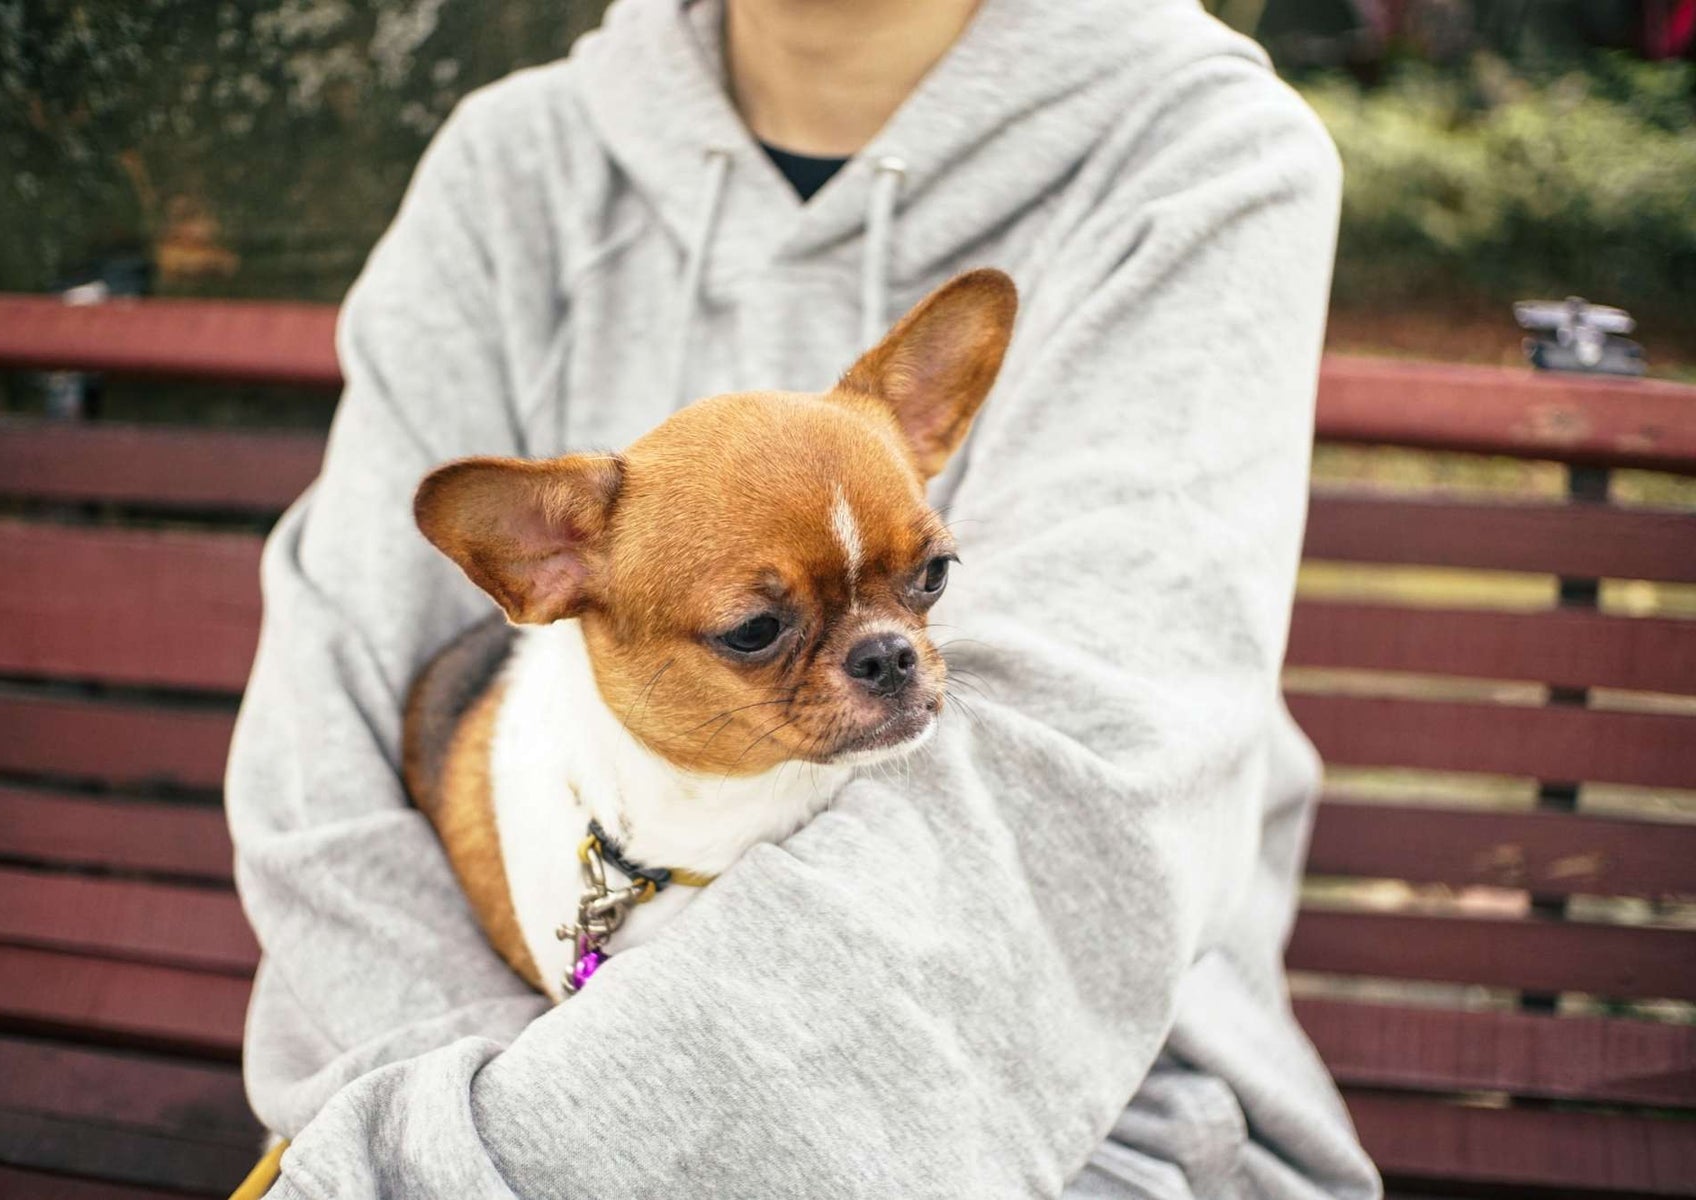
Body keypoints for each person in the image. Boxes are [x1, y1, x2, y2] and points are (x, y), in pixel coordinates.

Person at [224, 0, 1380, 1195]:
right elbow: (323, 758)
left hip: (1081, 1108)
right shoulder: (507, 166)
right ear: (545, 565)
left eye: (925, 583)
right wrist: (447, 1136)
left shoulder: (1199, 149)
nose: (889, 648)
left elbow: (1066, 805)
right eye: (760, 629)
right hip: (442, 1092)